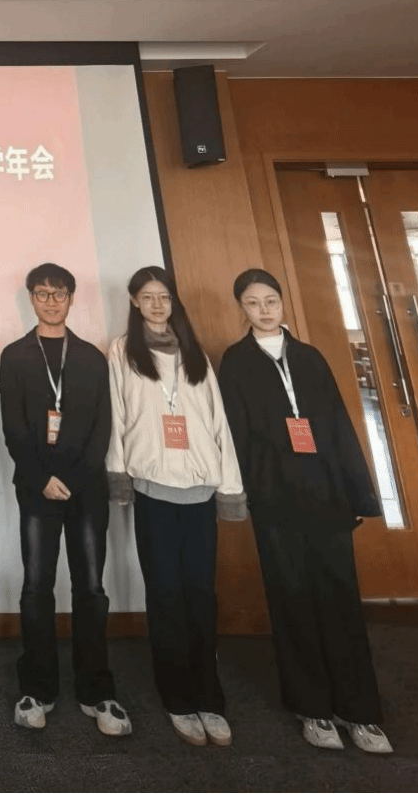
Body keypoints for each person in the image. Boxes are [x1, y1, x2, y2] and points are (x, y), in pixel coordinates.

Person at [218, 268, 392, 754]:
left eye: (270, 300)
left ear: (282, 302)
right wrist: (246, 492)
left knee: (340, 600)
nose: (264, 310)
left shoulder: (311, 357)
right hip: (275, 497)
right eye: (253, 303)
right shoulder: (235, 361)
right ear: (241, 309)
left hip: (326, 494)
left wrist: (356, 494)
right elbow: (236, 435)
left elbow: (338, 424)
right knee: (291, 599)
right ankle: (312, 708)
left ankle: (360, 711)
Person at [105, 265, 245, 748]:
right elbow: (116, 414)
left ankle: (209, 697)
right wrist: (118, 475)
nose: (157, 305)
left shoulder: (194, 352)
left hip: (200, 492)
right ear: (134, 302)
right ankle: (178, 699)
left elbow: (218, 420)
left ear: (173, 302)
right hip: (154, 493)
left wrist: (229, 486)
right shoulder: (122, 351)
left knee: (200, 595)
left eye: (164, 296)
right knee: (165, 595)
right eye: (147, 297)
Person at [0, 263, 131, 737]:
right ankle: (37, 688)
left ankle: (96, 689)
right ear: (31, 299)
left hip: (86, 489)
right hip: (36, 490)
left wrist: (73, 477)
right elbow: (13, 429)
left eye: (59, 294)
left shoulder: (92, 358)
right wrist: (42, 478)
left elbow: (102, 427)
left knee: (90, 588)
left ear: (72, 299)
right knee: (37, 587)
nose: (51, 302)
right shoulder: (15, 356)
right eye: (42, 293)